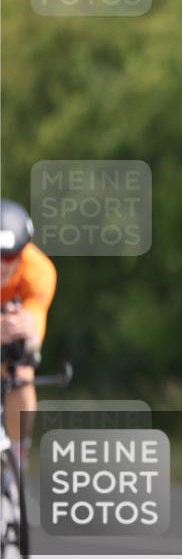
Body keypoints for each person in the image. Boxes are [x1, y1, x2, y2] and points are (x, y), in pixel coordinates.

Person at [1, 198, 57, 474]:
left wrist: (26, 328)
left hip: (9, 341)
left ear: (24, 251)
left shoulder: (39, 270)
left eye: (9, 257)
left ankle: (17, 457)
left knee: (22, 371)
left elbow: (35, 335)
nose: (1, 266)